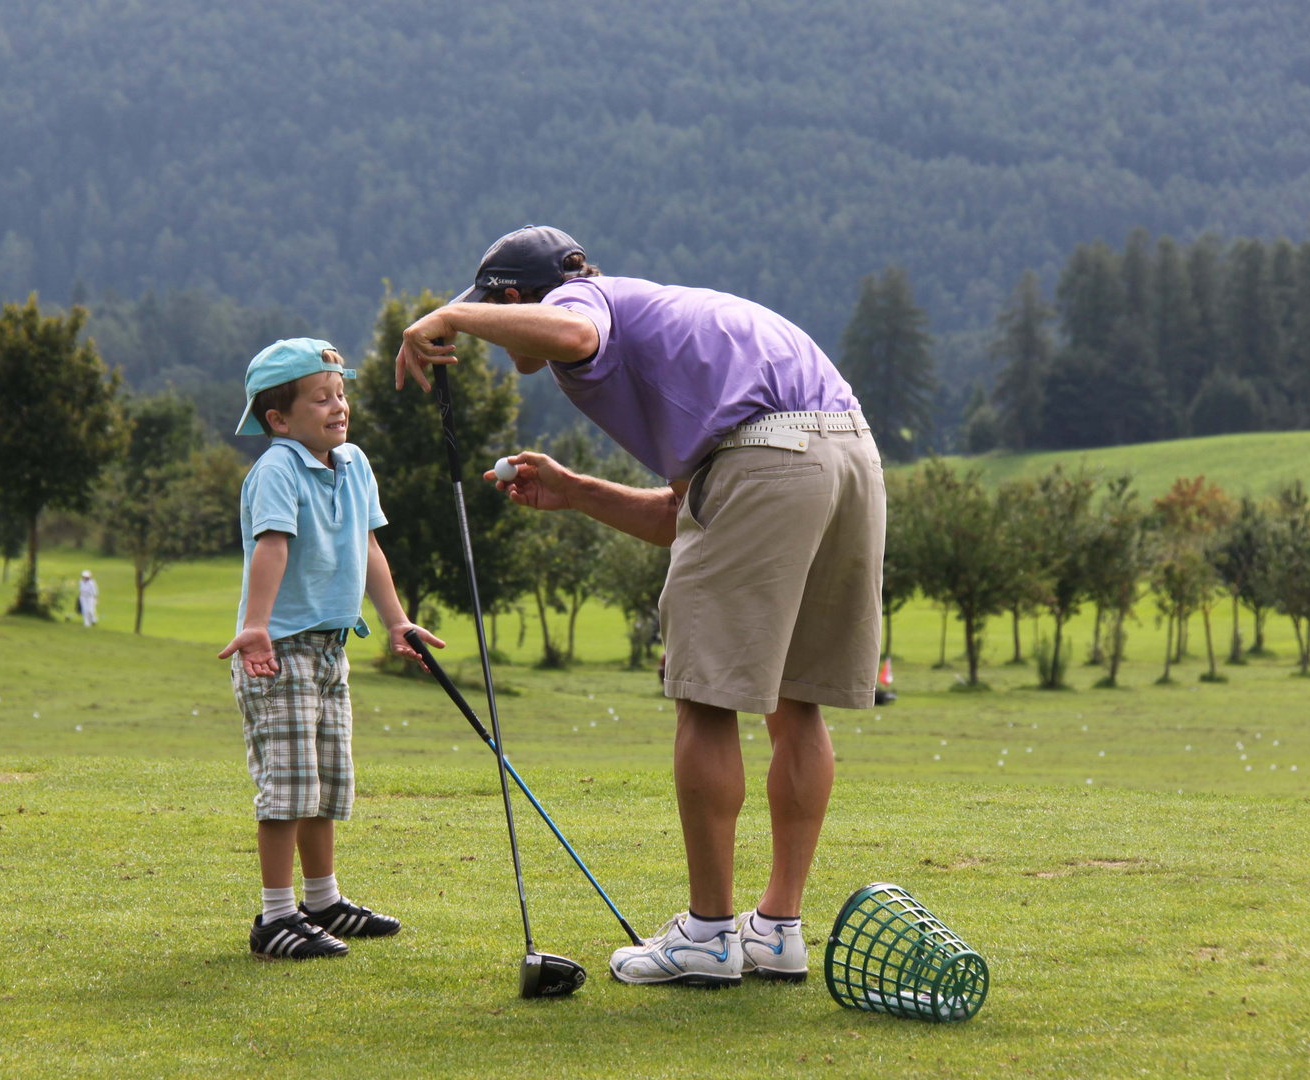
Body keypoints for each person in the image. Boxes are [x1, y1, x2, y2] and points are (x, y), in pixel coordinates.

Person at [397, 226, 885, 988]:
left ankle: (710, 935)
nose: (495, 339)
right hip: (848, 450)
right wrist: (577, 491)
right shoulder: (657, 318)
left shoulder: (583, 305)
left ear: (514, 299)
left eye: (493, 314)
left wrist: (451, 319)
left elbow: (570, 327)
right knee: (798, 703)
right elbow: (686, 514)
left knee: (706, 699)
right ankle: (778, 929)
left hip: (770, 460)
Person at [218, 338, 445, 960]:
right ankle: (275, 918)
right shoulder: (277, 469)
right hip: (279, 651)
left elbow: (368, 549)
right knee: (287, 788)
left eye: (341, 394)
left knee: (323, 785)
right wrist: (256, 626)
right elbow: (271, 546)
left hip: (328, 650)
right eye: (321, 399)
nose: (337, 407)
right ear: (279, 420)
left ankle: (321, 902)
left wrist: (397, 621)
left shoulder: (354, 463)